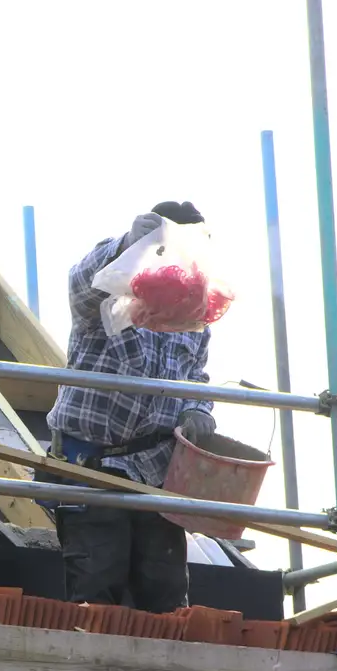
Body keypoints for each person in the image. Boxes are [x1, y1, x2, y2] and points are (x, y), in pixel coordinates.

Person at [44, 201, 217, 612]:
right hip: (92, 465)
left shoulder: (190, 315)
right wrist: (126, 245)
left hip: (156, 471)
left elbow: (196, 377)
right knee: (97, 586)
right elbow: (82, 286)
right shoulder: (114, 292)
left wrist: (198, 408)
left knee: (165, 594)